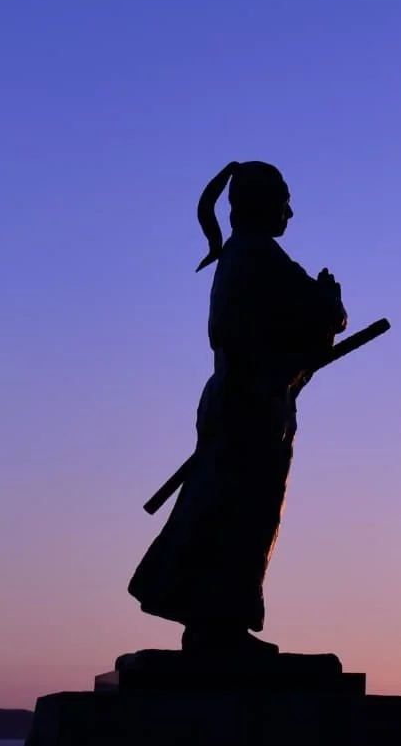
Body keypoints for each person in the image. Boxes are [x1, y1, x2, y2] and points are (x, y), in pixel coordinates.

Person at [129, 161, 347, 654]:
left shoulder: (242, 258)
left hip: (242, 401)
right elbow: (323, 318)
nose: (291, 212)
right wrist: (329, 298)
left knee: (225, 505)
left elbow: (288, 338)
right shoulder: (259, 257)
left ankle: (217, 621)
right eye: (284, 200)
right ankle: (218, 625)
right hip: (249, 406)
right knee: (239, 510)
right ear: (260, 203)